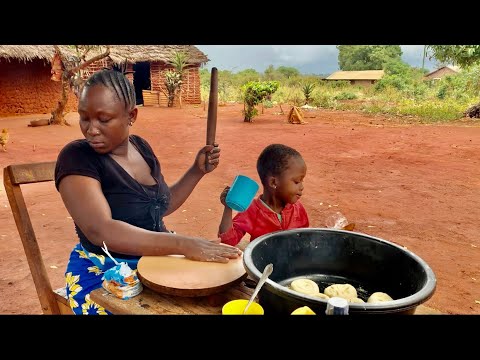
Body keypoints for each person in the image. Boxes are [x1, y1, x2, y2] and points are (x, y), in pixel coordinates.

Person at [55, 69, 241, 315]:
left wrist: (196, 171)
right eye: (84, 118)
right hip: (105, 272)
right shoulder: (76, 157)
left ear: (131, 115)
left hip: (155, 260)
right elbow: (100, 230)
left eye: (104, 119)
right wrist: (183, 244)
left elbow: (159, 207)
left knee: (224, 295)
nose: (91, 129)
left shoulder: (141, 148)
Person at [218, 143, 309, 247]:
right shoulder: (252, 211)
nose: (302, 187)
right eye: (297, 182)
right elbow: (227, 242)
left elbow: (306, 238)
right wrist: (228, 207)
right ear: (274, 183)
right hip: (263, 262)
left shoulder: (298, 209)